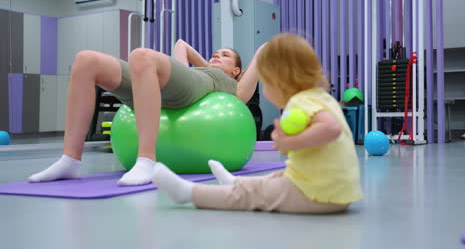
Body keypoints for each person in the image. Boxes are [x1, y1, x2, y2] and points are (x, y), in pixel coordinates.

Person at [152, 33, 363, 214]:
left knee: (253, 196)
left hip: (319, 196)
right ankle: (235, 181)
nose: (265, 91)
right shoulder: (319, 97)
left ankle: (188, 193)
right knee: (277, 177)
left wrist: (291, 143)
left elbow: (331, 129)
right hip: (333, 190)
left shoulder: (302, 101)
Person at [28, 39, 262, 186]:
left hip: (192, 89)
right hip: (174, 82)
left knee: (141, 55)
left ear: (236, 70)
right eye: (216, 52)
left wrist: (220, 70)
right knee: (85, 60)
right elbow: (181, 45)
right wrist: (208, 63)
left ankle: (146, 160)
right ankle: (69, 161)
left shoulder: (233, 85)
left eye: (225, 55)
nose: (217, 55)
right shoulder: (202, 69)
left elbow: (264, 53)